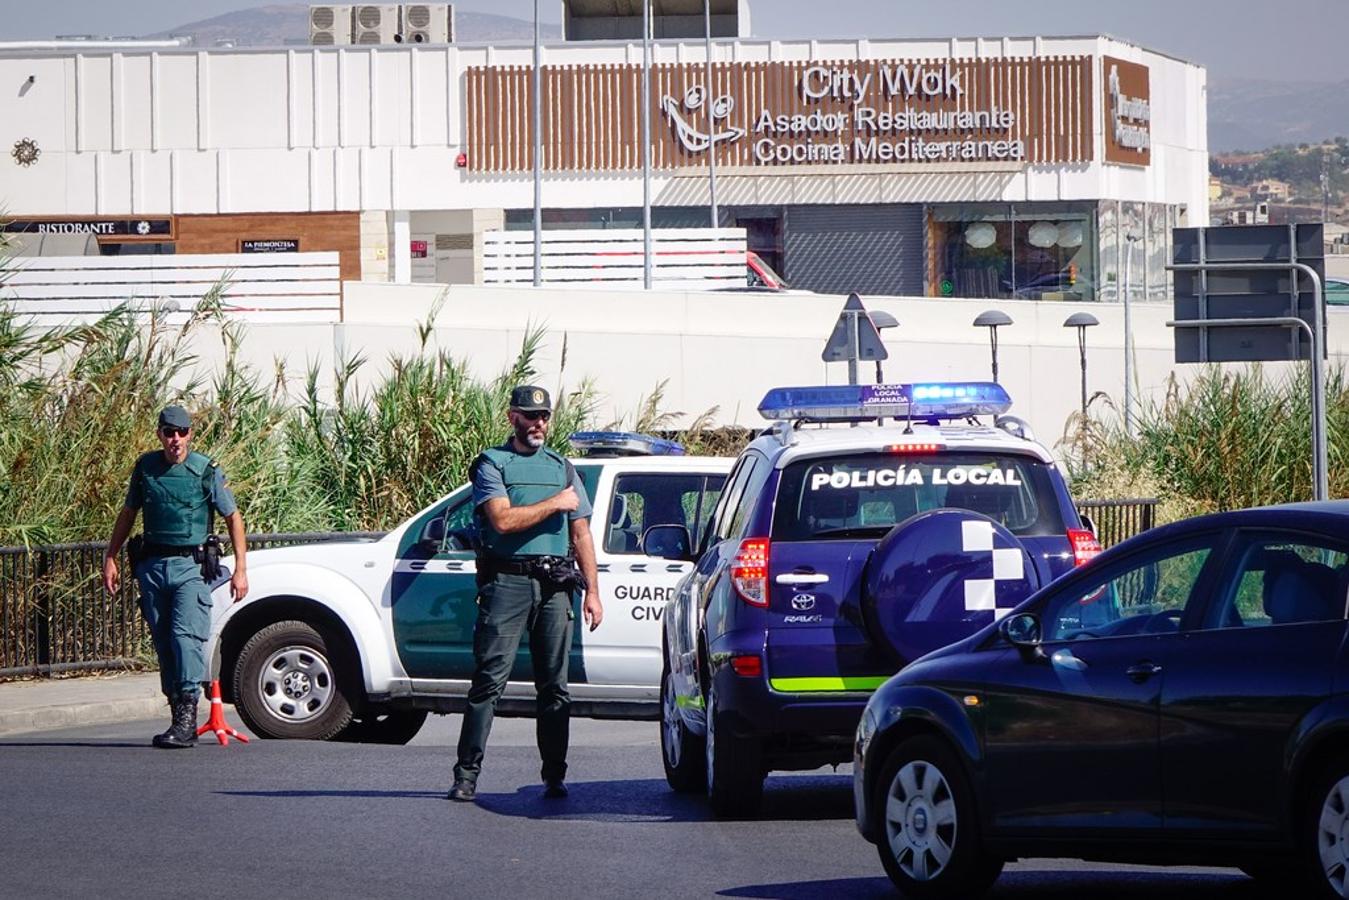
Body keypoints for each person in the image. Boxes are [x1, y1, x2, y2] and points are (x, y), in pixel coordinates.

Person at [449, 385, 602, 802]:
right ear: (511, 417)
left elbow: (581, 533)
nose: (538, 424)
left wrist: (593, 592)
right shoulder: (492, 464)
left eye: (544, 416)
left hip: (554, 587)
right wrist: (556, 503)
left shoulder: (562, 467)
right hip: (507, 584)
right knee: (488, 683)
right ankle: (466, 776)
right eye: (530, 415)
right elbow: (502, 520)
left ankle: (554, 775)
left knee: (555, 688)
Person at [102, 405, 249, 749]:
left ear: (190, 434)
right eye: (169, 432)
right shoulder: (146, 468)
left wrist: (241, 569)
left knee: (185, 638)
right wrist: (110, 556)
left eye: (182, 432)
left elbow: (233, 518)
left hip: (190, 568)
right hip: (153, 567)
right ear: (160, 434)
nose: (175, 439)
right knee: (165, 644)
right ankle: (176, 716)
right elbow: (128, 513)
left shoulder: (205, 470)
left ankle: (186, 717)